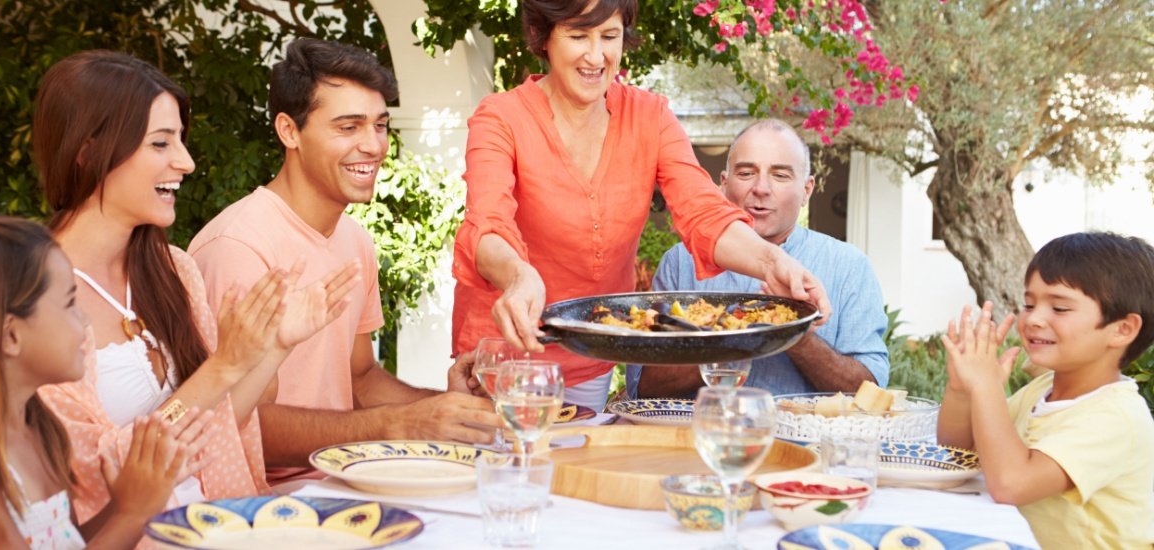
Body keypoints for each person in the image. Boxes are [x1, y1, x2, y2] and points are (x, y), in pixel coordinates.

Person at [452, 0, 831, 411]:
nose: (596, 56)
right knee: (505, 472)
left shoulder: (650, 117)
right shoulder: (501, 117)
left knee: (577, 473)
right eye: (578, 36)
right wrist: (519, 276)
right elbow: (487, 224)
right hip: (501, 359)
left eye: (609, 37)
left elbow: (703, 210)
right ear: (543, 37)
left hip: (588, 358)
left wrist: (773, 263)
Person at [31, 50, 355, 524]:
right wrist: (222, 367)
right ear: (88, 151)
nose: (185, 162)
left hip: (216, 526)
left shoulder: (174, 270)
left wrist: (277, 347)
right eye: (160, 144)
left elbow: (216, 424)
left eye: (180, 141)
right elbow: (99, 472)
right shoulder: (28, 295)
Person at [189, 38, 499, 482]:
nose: (373, 145)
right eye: (348, 127)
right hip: (267, 503)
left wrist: (443, 408)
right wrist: (395, 427)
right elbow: (233, 423)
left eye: (379, 125)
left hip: (352, 480)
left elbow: (361, 379)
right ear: (289, 131)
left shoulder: (354, 240)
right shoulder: (237, 248)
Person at [0, 215, 210, 549]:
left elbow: (69, 542)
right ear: (11, 336)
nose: (85, 318)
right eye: (69, 304)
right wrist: (132, 514)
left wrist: (126, 503)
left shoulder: (40, 432)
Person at [626, 120, 888, 398]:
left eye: (780, 175)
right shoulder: (681, 262)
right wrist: (732, 336)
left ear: (807, 190)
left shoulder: (848, 266)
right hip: (701, 437)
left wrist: (794, 334)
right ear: (723, 184)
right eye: (747, 172)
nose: (761, 188)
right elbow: (643, 386)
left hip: (806, 442)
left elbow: (869, 394)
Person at [937, 232, 1154, 549]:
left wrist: (986, 387)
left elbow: (1011, 484)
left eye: (1060, 308)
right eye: (1029, 303)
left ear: (1122, 329)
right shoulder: (1044, 389)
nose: (1034, 319)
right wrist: (962, 390)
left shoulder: (1116, 418)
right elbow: (960, 452)